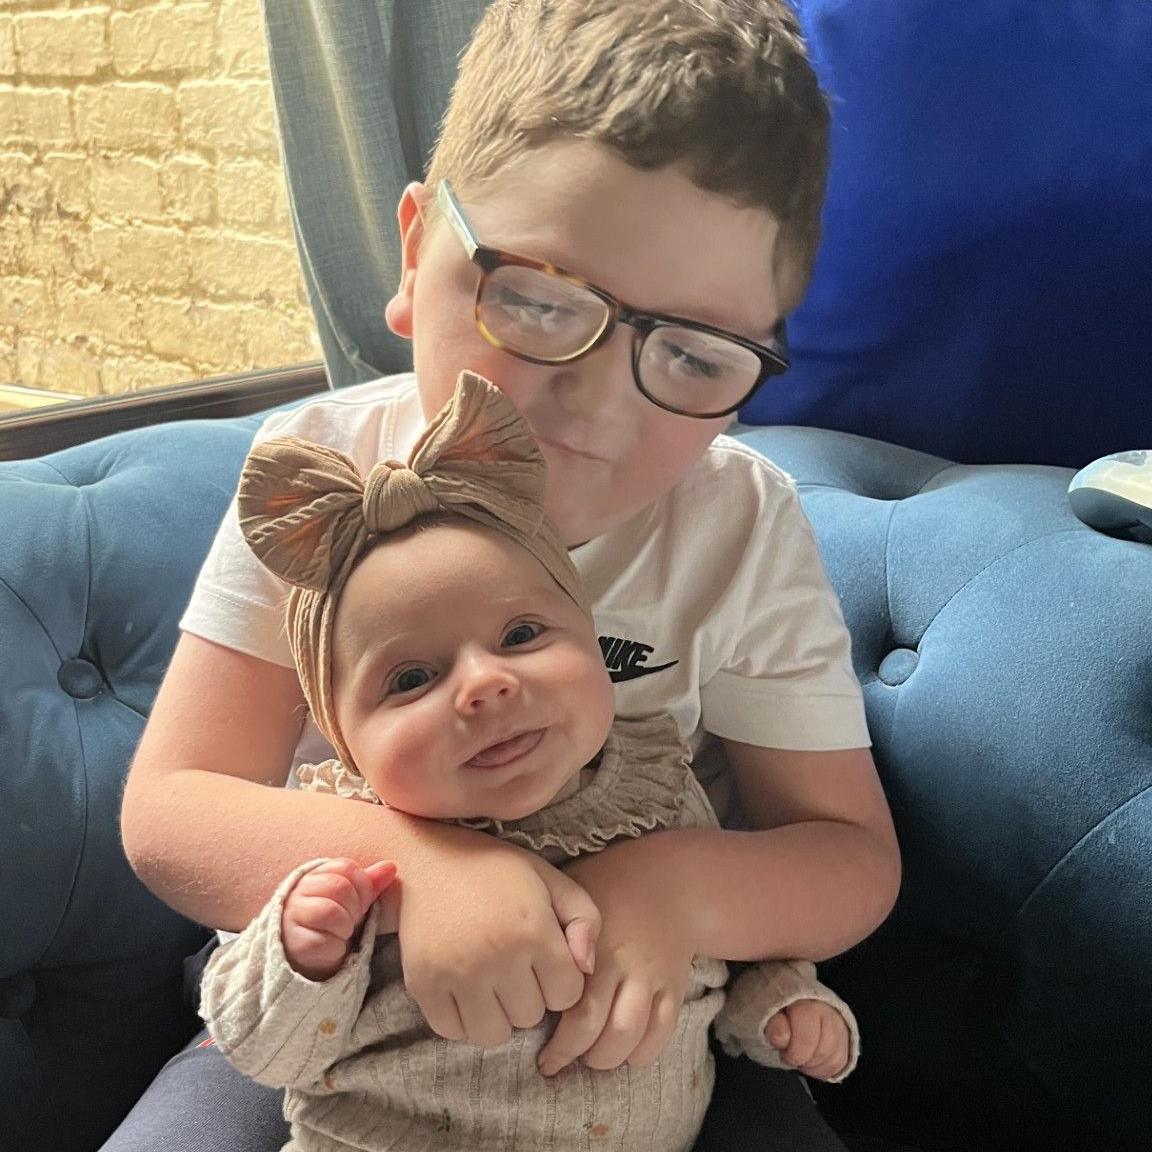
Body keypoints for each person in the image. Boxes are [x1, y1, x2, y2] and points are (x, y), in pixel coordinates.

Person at [113, 2, 901, 1150]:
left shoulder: (737, 520)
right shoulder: (323, 471)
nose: (596, 404)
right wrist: (423, 871)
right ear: (414, 249)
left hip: (655, 1026)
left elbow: (848, 857)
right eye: (534, 298)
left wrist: (666, 891)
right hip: (332, 1008)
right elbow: (171, 812)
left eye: (693, 353)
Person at [201, 372, 860, 1151]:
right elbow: (264, 1051)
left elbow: (717, 960)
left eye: (521, 636)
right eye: (411, 679)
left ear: (594, 641)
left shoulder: (658, 795)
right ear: (342, 740)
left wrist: (780, 1003)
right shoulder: (344, 849)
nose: (484, 683)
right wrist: (302, 958)